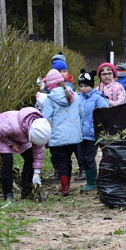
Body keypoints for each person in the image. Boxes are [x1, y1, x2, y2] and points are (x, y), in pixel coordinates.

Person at [0, 107, 51, 201]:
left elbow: (38, 153)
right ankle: (8, 194)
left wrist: (37, 173)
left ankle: (27, 192)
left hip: (21, 136)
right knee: (8, 160)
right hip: (0, 135)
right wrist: (11, 143)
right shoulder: (12, 126)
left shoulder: (41, 129)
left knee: (30, 158)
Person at [42, 68, 83, 196]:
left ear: (51, 85)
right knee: (68, 160)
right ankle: (68, 185)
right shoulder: (74, 95)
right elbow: (81, 113)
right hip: (73, 135)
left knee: (60, 161)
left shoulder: (50, 98)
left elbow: (46, 118)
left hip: (57, 136)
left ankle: (64, 187)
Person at [76, 69, 108, 192]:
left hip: (91, 134)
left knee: (90, 158)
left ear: (91, 85)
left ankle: (92, 181)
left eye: (86, 86)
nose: (83, 88)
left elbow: (104, 112)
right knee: (81, 158)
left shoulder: (97, 98)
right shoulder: (78, 98)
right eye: (81, 86)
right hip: (80, 134)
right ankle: (89, 178)